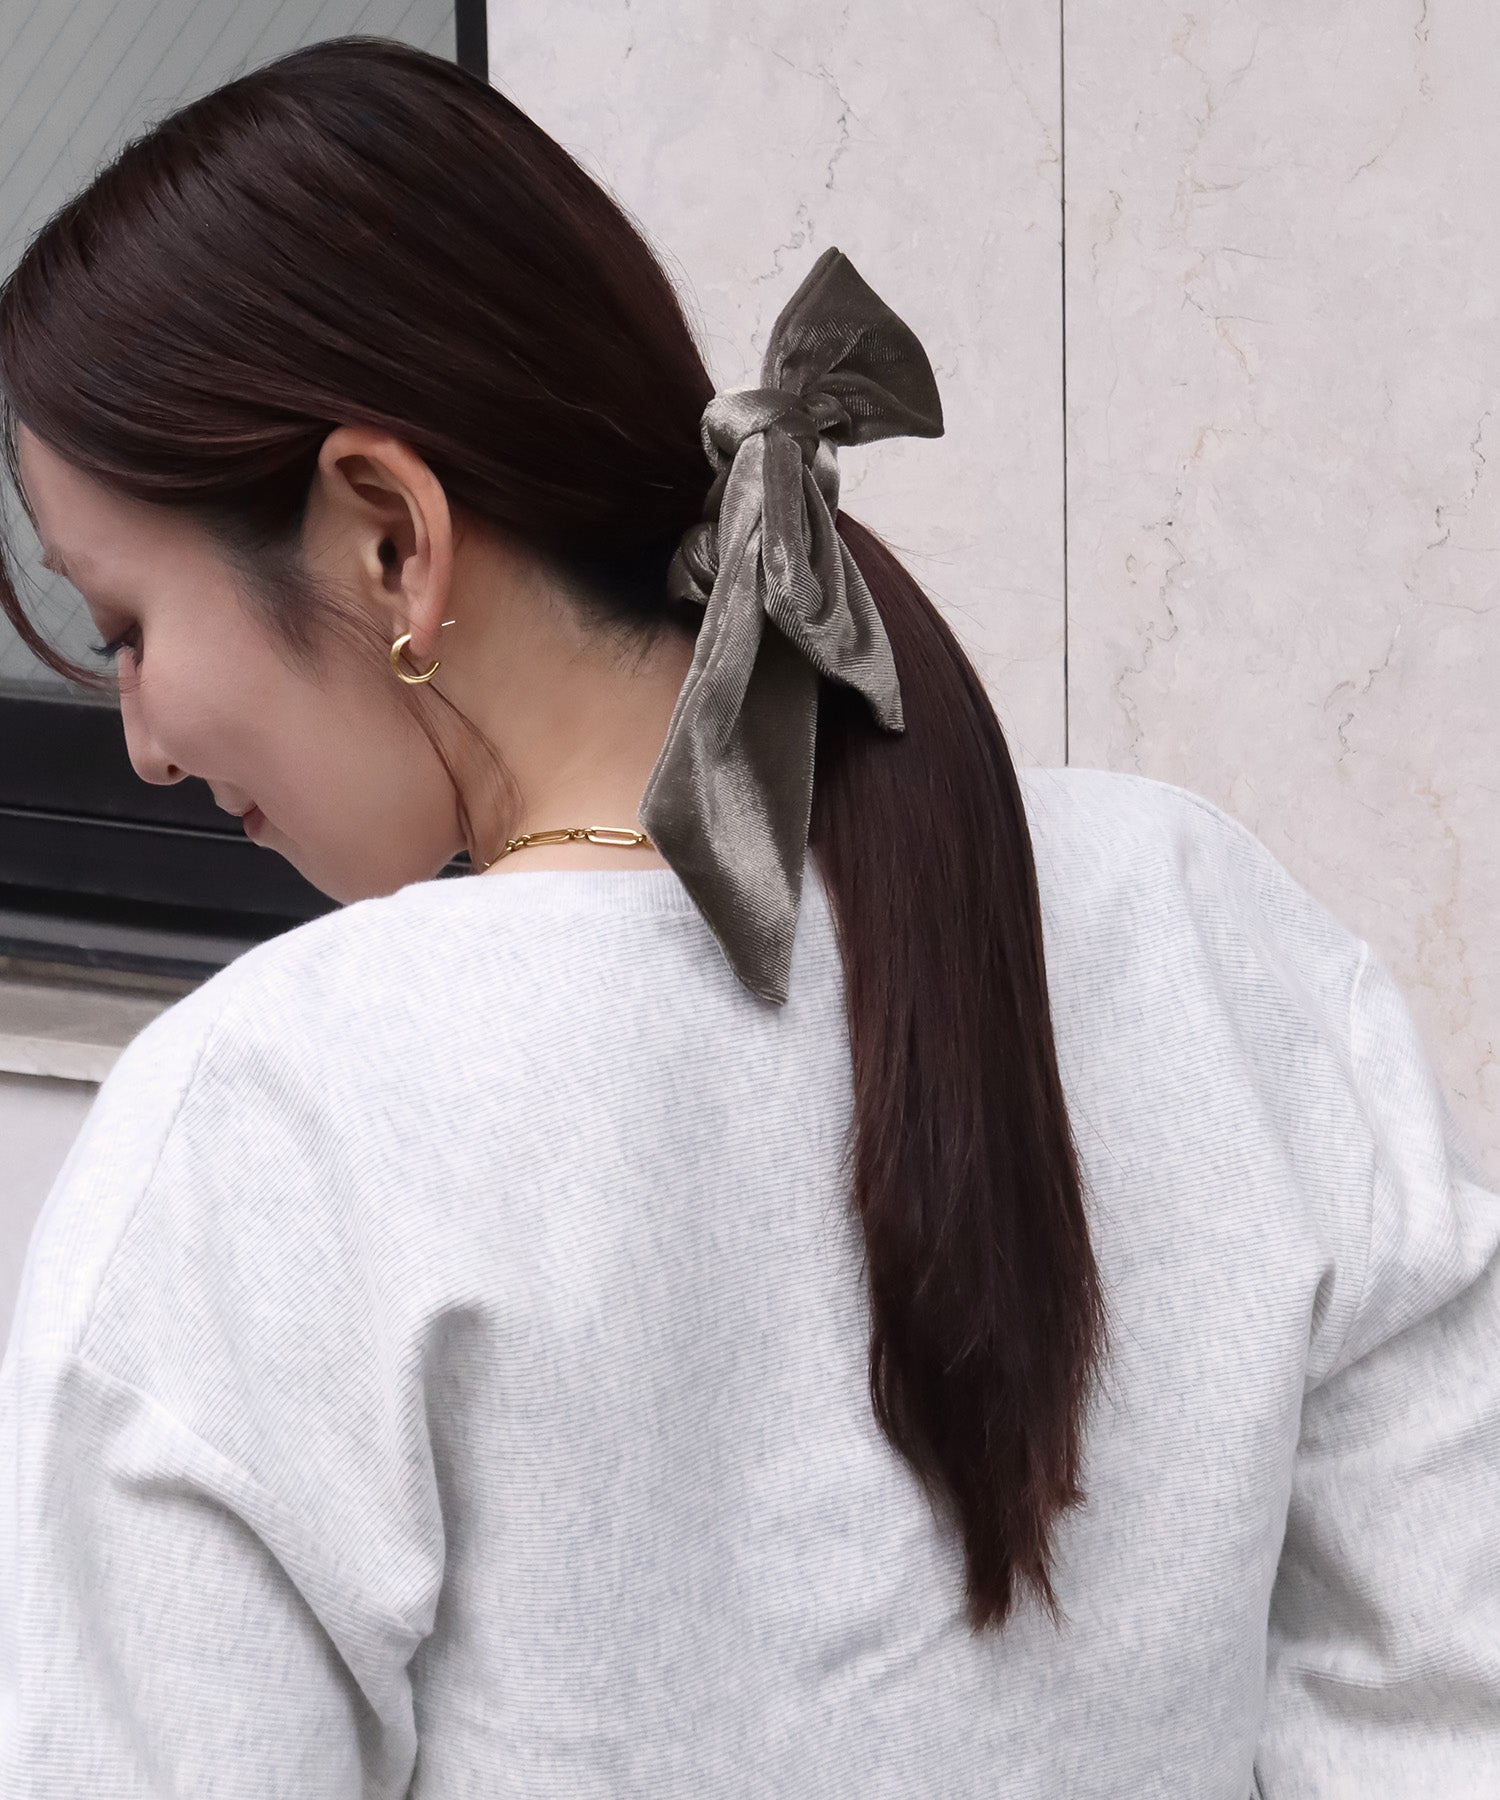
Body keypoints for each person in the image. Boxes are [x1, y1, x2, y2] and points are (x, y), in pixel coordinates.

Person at [0, 34, 1496, 1800]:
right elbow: (1442, 1714)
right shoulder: (1207, 936)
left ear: (390, 534)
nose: (144, 745)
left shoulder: (267, 1126)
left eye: (127, 629)